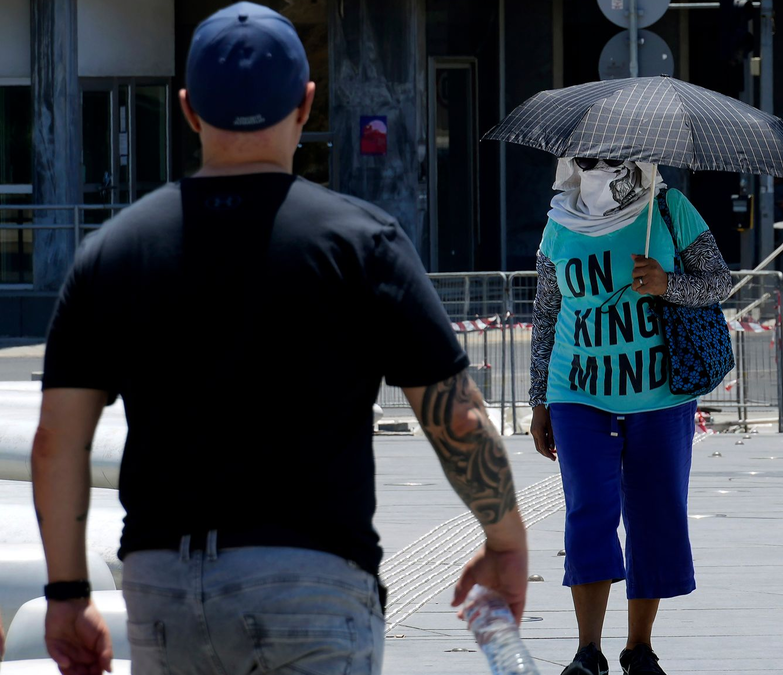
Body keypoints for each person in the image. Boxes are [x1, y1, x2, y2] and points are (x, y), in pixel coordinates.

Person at [31, 4, 527, 674]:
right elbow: (458, 419)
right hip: (313, 581)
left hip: (165, 585)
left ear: (188, 109)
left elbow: (57, 440)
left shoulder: (112, 251)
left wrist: (67, 593)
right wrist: (505, 541)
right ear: (306, 102)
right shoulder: (362, 243)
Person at [528, 157, 732, 675]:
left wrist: (667, 284)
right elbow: (547, 314)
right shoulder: (560, 222)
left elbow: (718, 283)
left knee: (655, 515)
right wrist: (539, 400)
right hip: (577, 393)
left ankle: (639, 648)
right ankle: (587, 652)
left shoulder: (669, 208)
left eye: (612, 154)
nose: (600, 164)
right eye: (587, 156)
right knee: (588, 514)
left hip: (661, 397)